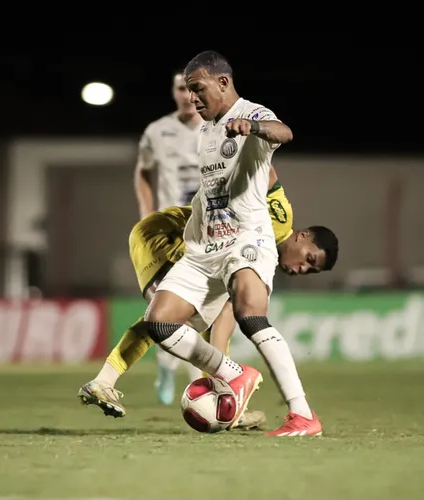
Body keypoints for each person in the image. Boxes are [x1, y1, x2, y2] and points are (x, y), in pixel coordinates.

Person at [141, 50, 329, 436]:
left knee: (249, 314)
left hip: (247, 239)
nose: (192, 98)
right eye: (189, 91)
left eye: (198, 90)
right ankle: (234, 374)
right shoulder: (207, 130)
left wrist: (254, 128)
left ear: (222, 82)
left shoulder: (252, 113)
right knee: (158, 322)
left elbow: (285, 132)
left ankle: (303, 414)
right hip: (204, 248)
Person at [78, 167, 338, 431]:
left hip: (185, 244)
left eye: (310, 270)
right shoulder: (279, 223)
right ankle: (105, 381)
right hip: (169, 234)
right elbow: (266, 171)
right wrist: (247, 136)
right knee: (164, 318)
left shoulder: (259, 260)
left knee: (182, 322)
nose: (302, 269)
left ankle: (227, 395)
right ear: (302, 235)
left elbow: (223, 320)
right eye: (309, 258)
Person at [133, 72, 207, 404]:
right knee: (166, 308)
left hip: (205, 231)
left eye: (193, 88)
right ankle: (170, 368)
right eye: (181, 88)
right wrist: (147, 213)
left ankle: (190, 379)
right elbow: (143, 173)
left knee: (198, 311)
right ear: (174, 92)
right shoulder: (156, 131)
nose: (188, 94)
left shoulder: (216, 128)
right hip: (167, 233)